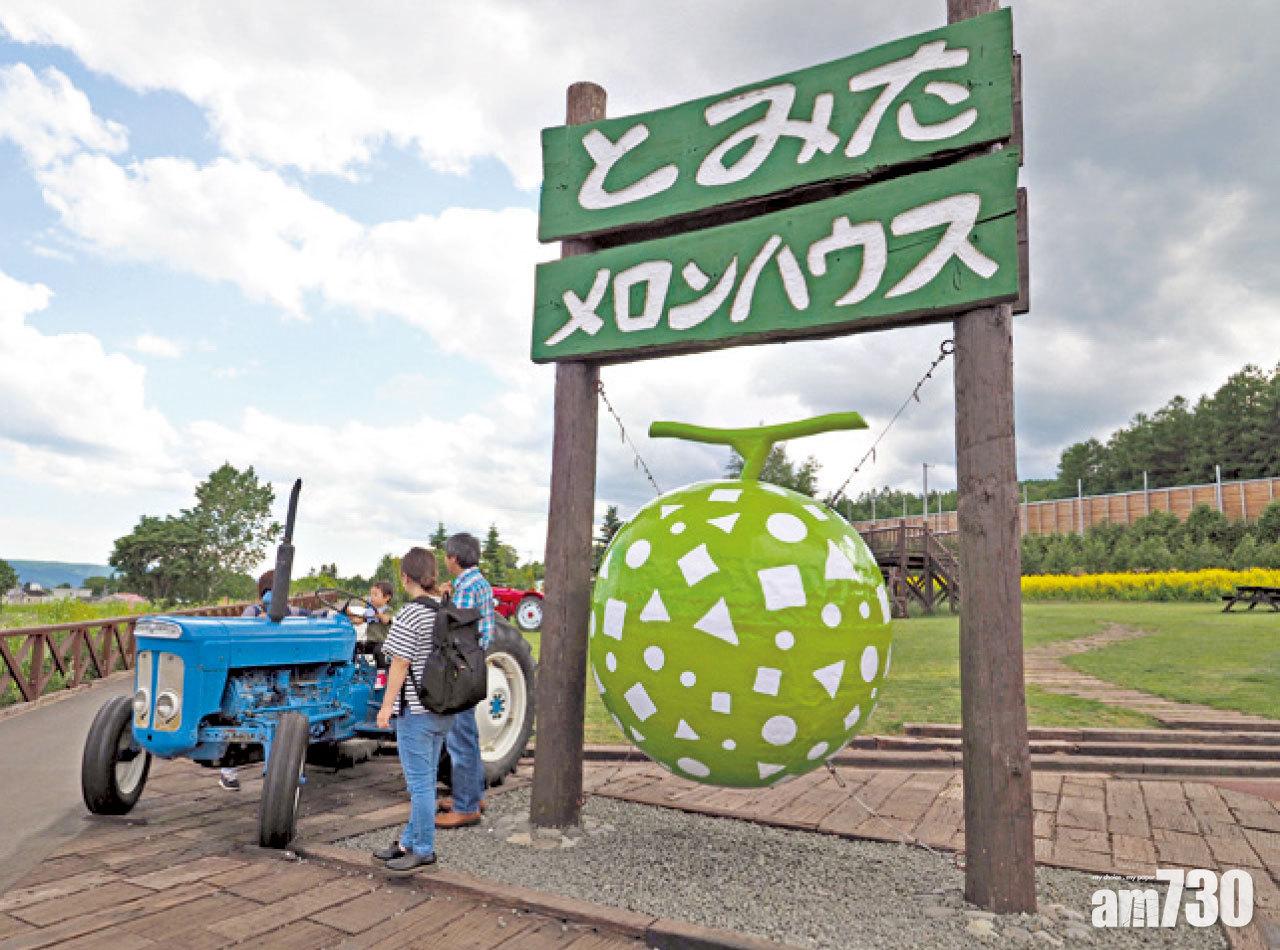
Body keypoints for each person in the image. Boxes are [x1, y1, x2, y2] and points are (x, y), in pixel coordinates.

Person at [371, 547, 453, 871]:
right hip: (443, 708)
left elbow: (399, 663)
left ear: (405, 578)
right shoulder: (444, 609)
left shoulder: (410, 614)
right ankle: (408, 842)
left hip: (417, 711)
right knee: (426, 780)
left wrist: (385, 707)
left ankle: (423, 849)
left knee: (420, 785)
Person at [219, 569, 304, 791]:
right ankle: (229, 769)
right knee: (242, 719)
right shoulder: (253, 612)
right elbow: (241, 634)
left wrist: (332, 614)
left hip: (281, 670)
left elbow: (311, 614)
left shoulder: (290, 611)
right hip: (254, 674)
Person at [435, 532, 494, 828]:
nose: (446, 561)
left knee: (459, 738)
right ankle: (473, 794)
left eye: (446, 557)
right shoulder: (480, 583)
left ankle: (466, 807)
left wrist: (441, 605)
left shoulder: (466, 588)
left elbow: (453, 630)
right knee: (468, 734)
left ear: (454, 558)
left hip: (460, 667)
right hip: (474, 665)